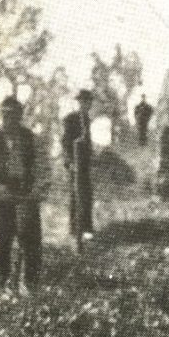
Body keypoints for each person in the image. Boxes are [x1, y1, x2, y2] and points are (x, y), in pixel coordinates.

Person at [0, 96, 50, 290]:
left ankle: (30, 286)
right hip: (1, 198)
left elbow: (44, 168)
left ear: (20, 116)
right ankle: (0, 286)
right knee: (1, 243)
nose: (10, 120)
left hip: (26, 195)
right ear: (0, 115)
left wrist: (35, 191)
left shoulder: (32, 139)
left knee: (31, 243)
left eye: (14, 115)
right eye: (6, 115)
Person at [62, 88, 95, 245]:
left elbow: (87, 141)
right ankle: (74, 229)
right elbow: (66, 142)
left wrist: (90, 155)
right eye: (83, 102)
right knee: (75, 195)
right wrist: (70, 162)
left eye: (88, 102)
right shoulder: (70, 119)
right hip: (74, 162)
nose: (86, 104)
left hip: (84, 163)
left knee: (87, 194)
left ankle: (87, 229)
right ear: (79, 102)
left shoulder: (87, 119)